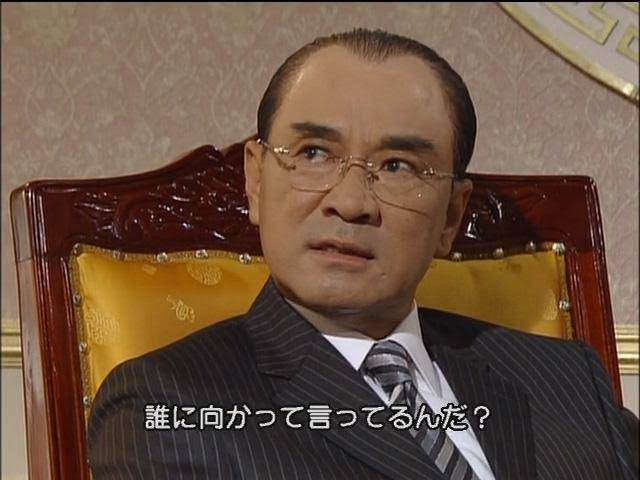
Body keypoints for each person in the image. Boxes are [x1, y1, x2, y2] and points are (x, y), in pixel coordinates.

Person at [88, 28, 637, 480]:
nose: (350, 203)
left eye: (397, 166)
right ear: (255, 181)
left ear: (451, 216)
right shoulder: (168, 405)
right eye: (313, 153)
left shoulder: (566, 379)